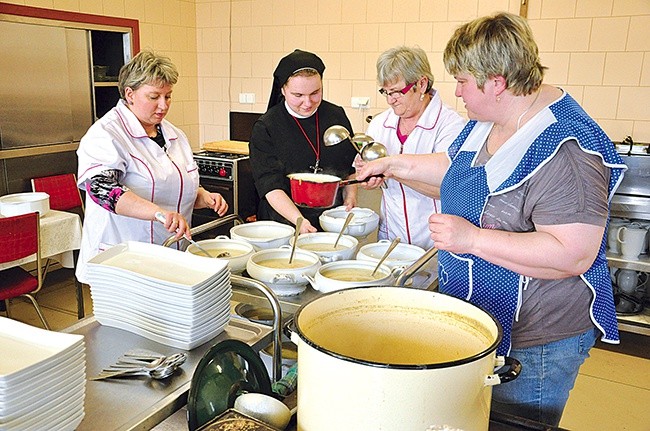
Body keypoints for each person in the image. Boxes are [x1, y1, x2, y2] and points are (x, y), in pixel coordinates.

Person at [356, 12, 626, 427]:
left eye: (463, 80)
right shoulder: (490, 122)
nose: (457, 91)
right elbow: (452, 166)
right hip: (485, 318)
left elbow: (572, 254)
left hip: (537, 340)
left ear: (496, 81)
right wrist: (392, 165)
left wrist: (472, 239)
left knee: (510, 422)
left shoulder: (568, 146)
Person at [76, 50, 228, 282]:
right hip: (125, 258)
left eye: (168, 96)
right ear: (130, 94)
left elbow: (173, 188)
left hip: (171, 253)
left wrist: (203, 197)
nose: (163, 105)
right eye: (154, 96)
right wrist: (159, 214)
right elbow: (103, 191)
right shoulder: (106, 134)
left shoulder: (174, 134)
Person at [365, 46, 465, 249]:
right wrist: (367, 175)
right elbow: (368, 176)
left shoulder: (450, 125)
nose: (390, 100)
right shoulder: (379, 123)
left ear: (421, 84)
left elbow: (446, 189)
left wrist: (390, 171)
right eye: (385, 91)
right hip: (390, 236)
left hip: (433, 240)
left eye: (397, 92)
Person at [249, 49, 358, 233]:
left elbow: (350, 168)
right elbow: (269, 186)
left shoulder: (336, 116)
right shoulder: (267, 127)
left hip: (331, 220)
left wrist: (351, 196)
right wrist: (299, 221)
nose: (307, 103)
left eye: (315, 93)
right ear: (283, 90)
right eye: (298, 95)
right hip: (284, 223)